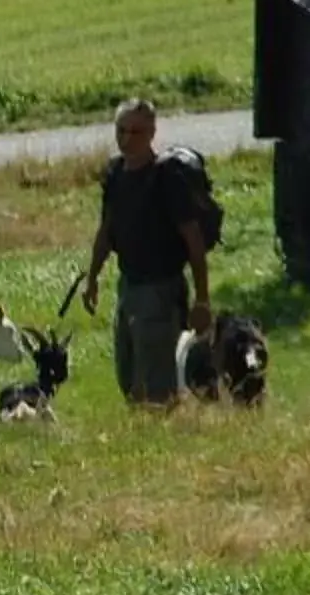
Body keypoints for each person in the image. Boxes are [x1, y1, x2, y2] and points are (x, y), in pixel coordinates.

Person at [79, 98, 213, 406]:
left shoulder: (167, 178)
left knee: (157, 387)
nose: (126, 139)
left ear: (152, 133)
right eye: (121, 131)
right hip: (129, 287)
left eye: (135, 132)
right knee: (128, 379)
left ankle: (162, 441)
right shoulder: (115, 174)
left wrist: (202, 299)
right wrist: (93, 278)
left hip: (161, 290)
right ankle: (144, 436)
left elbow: (193, 241)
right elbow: (106, 230)